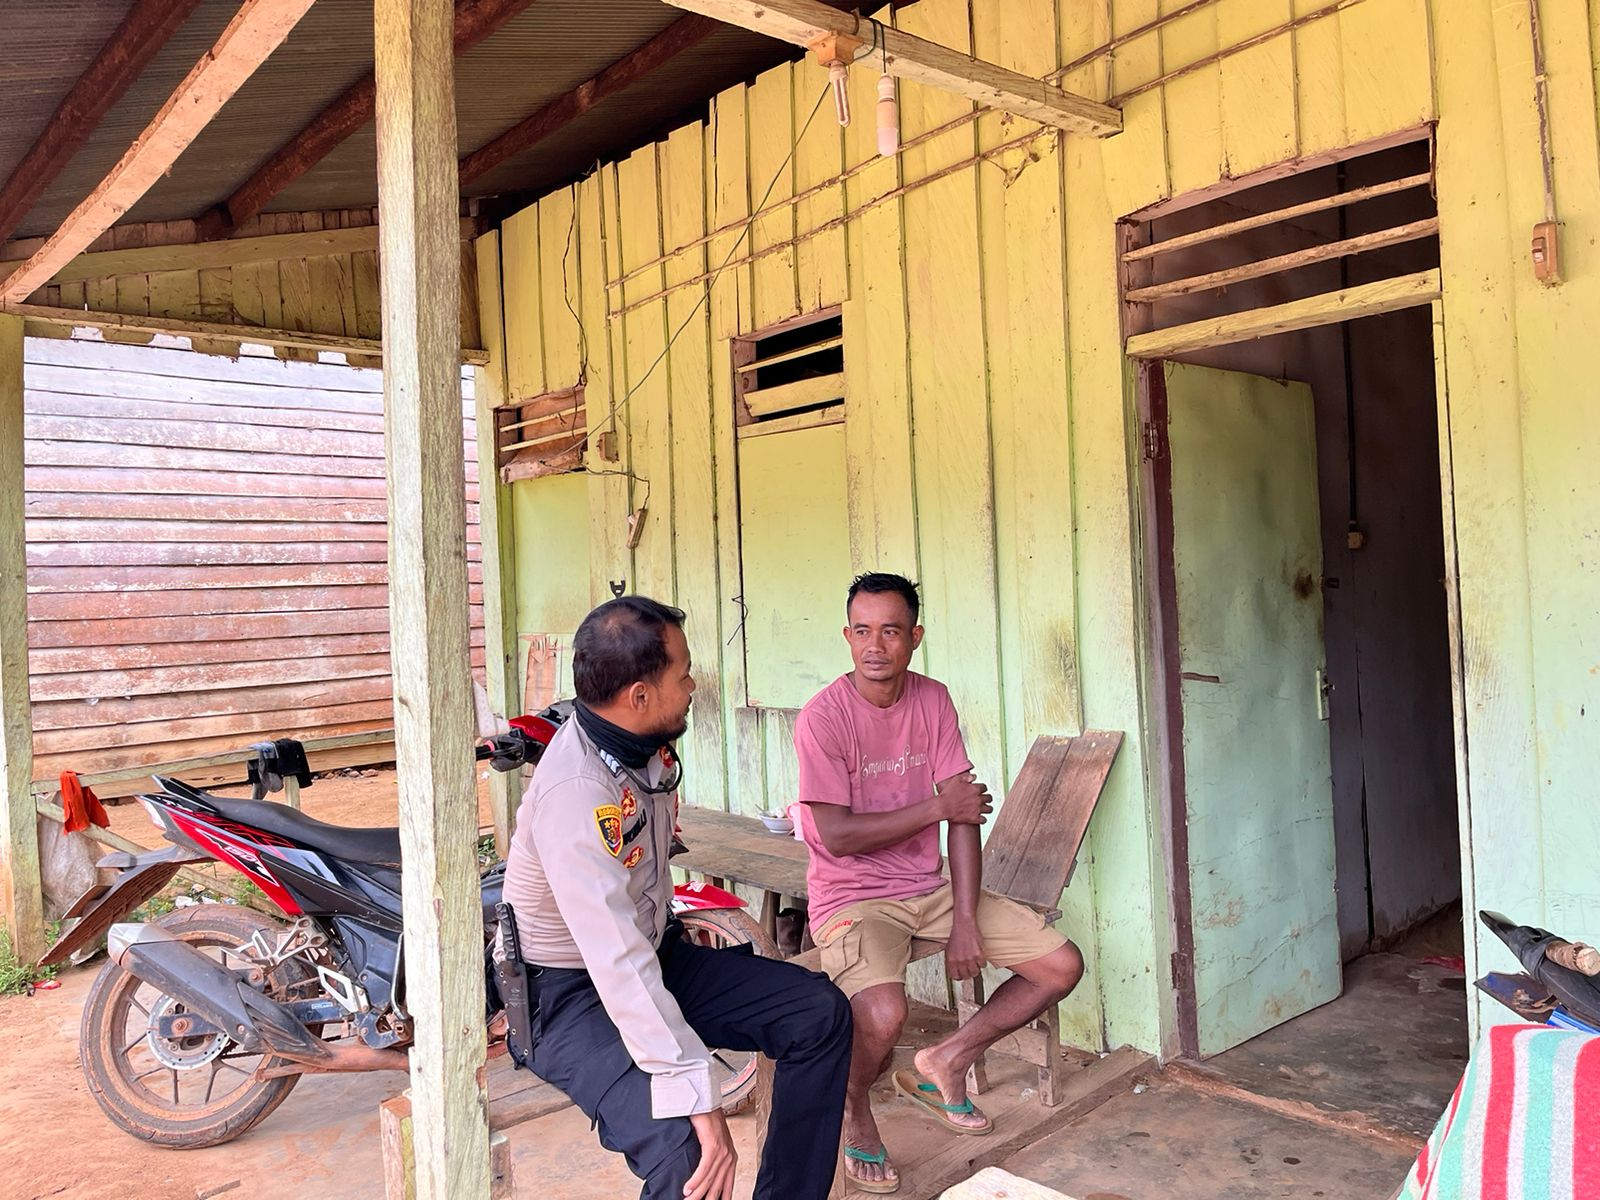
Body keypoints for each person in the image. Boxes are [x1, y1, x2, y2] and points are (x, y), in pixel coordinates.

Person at [502, 595, 852, 1200]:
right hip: (566, 994)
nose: (693, 686)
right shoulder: (576, 792)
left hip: (654, 956)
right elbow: (616, 962)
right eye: (683, 674)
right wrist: (697, 1094)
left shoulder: (639, 742)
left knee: (817, 1014)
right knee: (685, 1153)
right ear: (639, 695)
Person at [792, 573, 1085, 1194]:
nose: (875, 646)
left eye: (890, 631)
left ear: (915, 637)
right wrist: (936, 807)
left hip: (929, 887)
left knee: (1060, 965)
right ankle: (853, 1107)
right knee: (883, 1014)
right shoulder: (823, 717)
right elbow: (837, 836)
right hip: (853, 896)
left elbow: (964, 814)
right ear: (847, 636)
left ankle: (947, 1059)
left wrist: (967, 921)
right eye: (863, 631)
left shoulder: (933, 700)